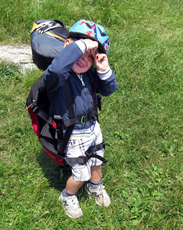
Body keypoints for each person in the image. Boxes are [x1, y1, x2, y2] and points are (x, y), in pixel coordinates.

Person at [43, 20, 117, 219]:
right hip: (72, 133)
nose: (84, 59)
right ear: (69, 46)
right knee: (80, 173)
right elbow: (57, 69)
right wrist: (83, 46)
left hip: (93, 127)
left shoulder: (91, 74)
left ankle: (95, 187)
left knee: (97, 161)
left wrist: (103, 69)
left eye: (90, 57)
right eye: (80, 52)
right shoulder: (59, 77)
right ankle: (68, 195)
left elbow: (109, 89)